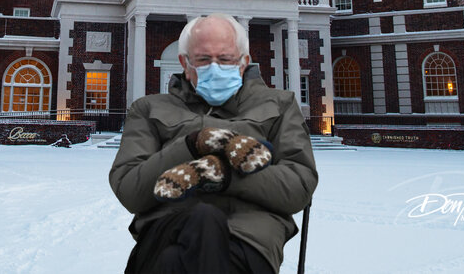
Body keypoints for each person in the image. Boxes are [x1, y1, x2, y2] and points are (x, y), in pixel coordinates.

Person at [109, 14, 318, 274]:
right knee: (201, 222)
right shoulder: (148, 109)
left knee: (178, 255)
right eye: (204, 60)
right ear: (185, 63)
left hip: (248, 240)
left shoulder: (280, 105)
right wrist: (191, 144)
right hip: (166, 229)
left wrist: (224, 175)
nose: (215, 68)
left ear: (244, 62)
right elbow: (130, 190)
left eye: (226, 59)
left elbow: (298, 188)